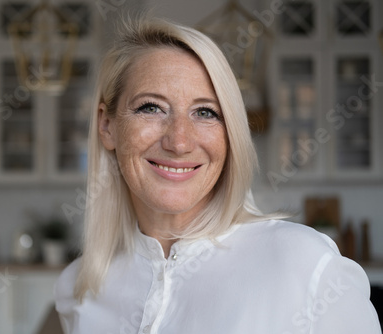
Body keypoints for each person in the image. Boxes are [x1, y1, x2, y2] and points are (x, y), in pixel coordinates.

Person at [55, 17, 381, 334]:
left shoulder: (305, 265)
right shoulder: (78, 288)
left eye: (206, 112)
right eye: (151, 107)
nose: (179, 142)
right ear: (107, 126)